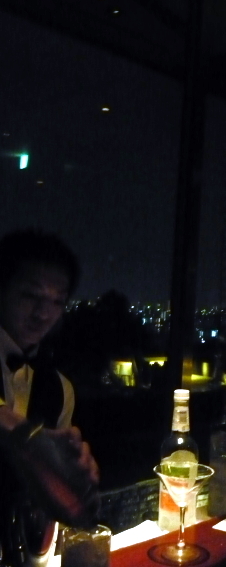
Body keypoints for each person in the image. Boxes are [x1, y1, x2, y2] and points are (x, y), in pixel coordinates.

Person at [0, 228, 99, 547]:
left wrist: (71, 476)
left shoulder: (60, 388)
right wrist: (26, 437)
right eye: (31, 296)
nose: (43, 314)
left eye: (57, 301)